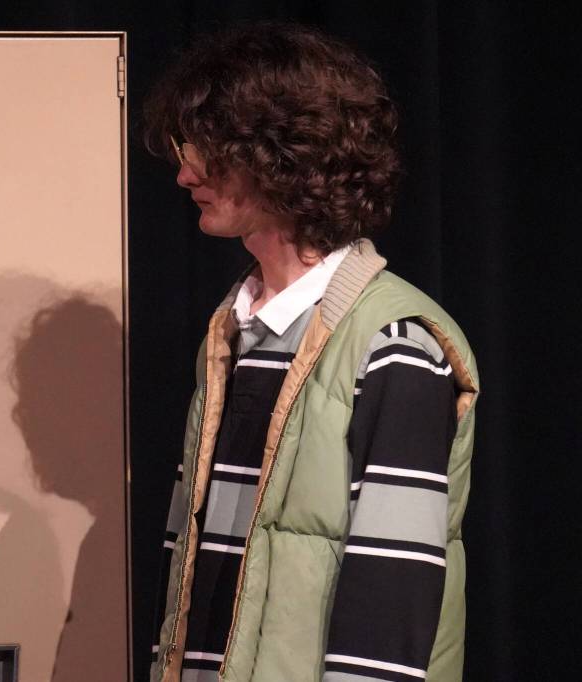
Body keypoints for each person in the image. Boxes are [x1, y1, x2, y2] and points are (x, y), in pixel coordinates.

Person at [144, 24, 479, 682]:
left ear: (282, 156)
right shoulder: (231, 335)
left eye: (208, 150)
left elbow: (389, 607)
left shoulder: (394, 343)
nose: (184, 173)